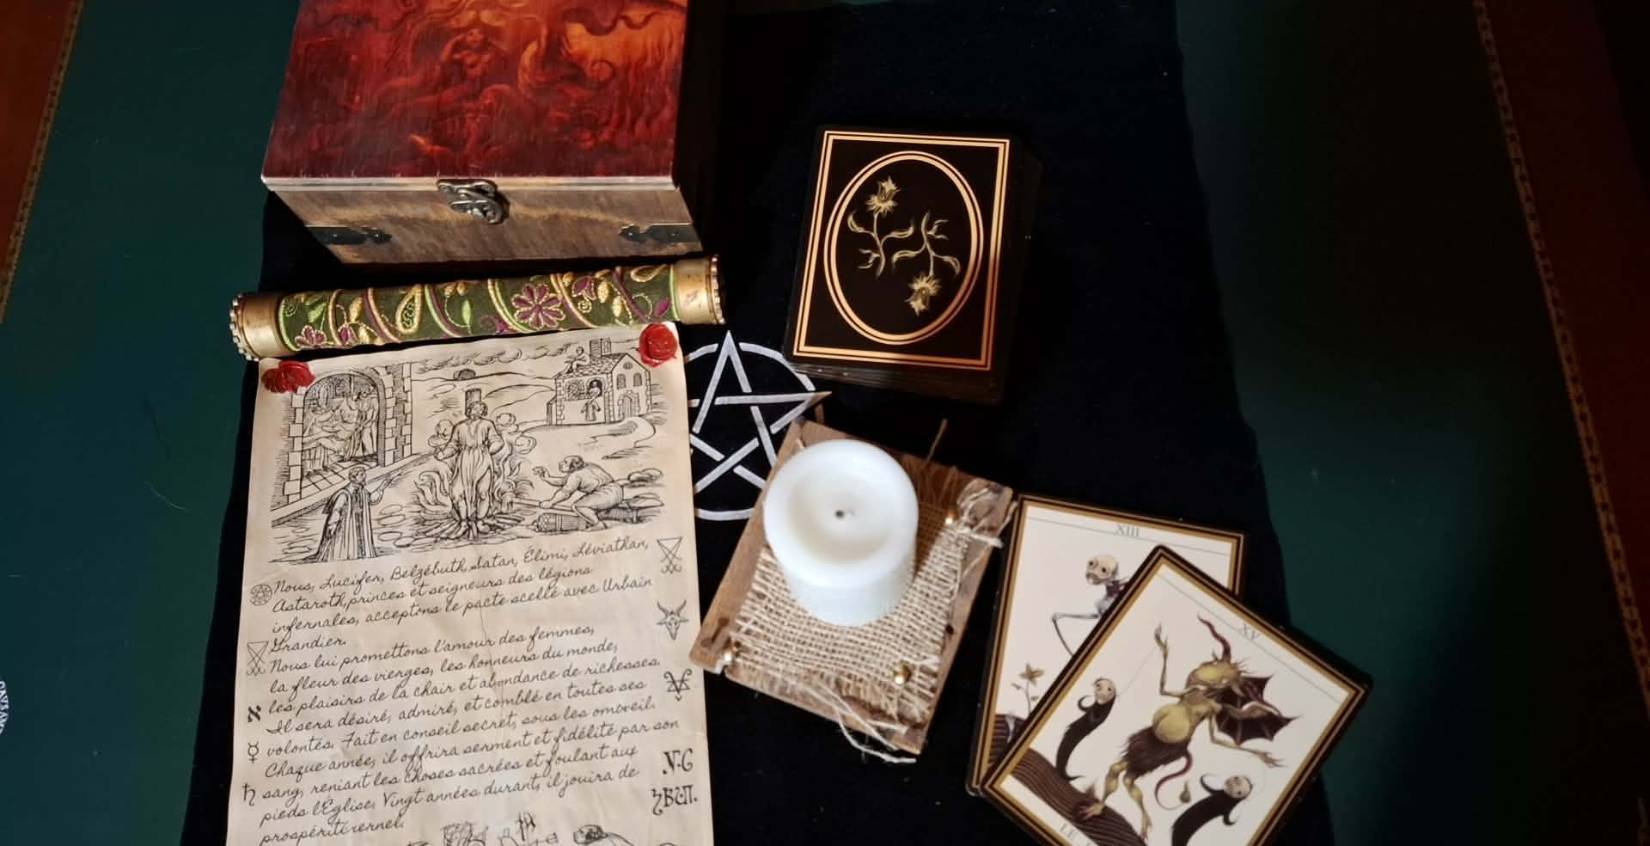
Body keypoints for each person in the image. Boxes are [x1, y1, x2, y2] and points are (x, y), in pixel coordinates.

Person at [433, 400, 506, 537]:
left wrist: (489, 450)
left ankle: (480, 521)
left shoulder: (487, 424)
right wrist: (443, 454)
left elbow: (496, 440)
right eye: (474, 408)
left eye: (480, 408)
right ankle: (463, 523)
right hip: (464, 461)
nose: (477, 410)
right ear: (469, 410)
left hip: (482, 460)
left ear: (483, 411)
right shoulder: (460, 427)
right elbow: (453, 445)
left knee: (483, 492)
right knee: (456, 493)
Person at [306, 466, 384, 562]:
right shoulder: (344, 494)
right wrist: (332, 524)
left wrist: (382, 487)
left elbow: (371, 499)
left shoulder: (362, 491)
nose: (364, 477)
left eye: (364, 474)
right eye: (361, 475)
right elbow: (336, 510)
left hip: (358, 524)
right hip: (345, 527)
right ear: (353, 478)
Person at [537, 455, 623, 529]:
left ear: (573, 466)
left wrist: (551, 502)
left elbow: (565, 492)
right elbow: (563, 481)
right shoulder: (588, 466)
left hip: (606, 494)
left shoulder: (576, 475)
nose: (561, 463)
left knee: (578, 506)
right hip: (616, 490)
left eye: (565, 462)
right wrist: (547, 478)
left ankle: (597, 524)